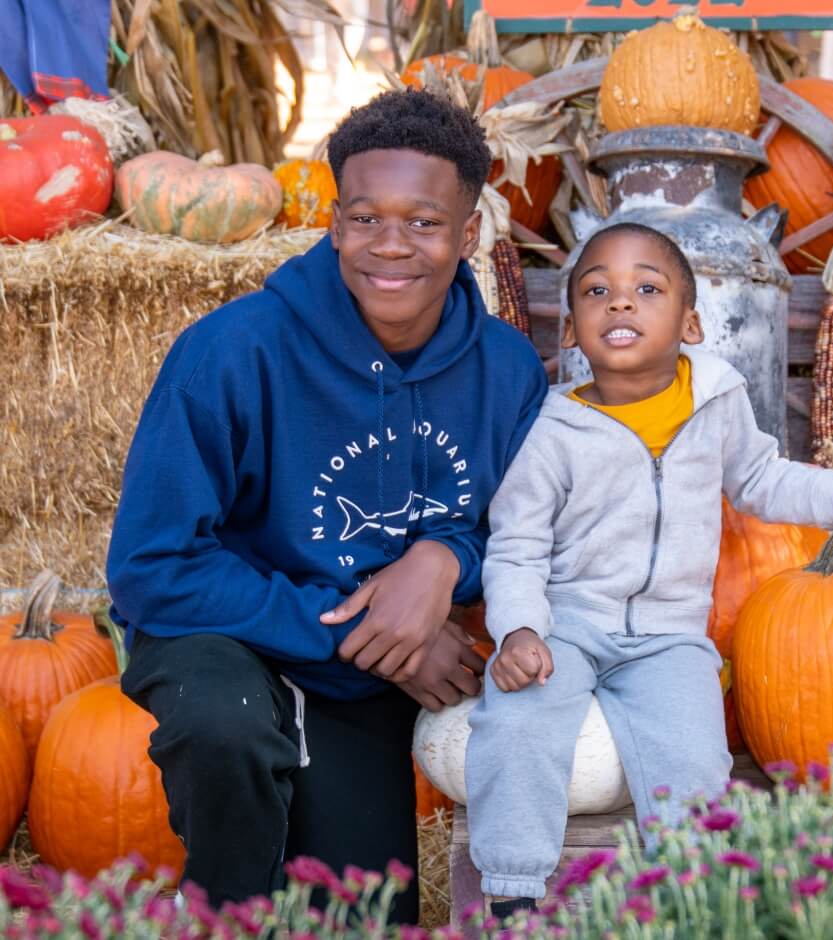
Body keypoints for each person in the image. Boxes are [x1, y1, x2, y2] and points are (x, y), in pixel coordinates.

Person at [106, 88, 548, 919]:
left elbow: (523, 525)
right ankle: (217, 919)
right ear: (334, 222)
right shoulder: (231, 353)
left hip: (364, 683)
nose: (390, 245)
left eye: (422, 222)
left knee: (358, 917)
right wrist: (363, 633)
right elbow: (149, 567)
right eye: (364, 217)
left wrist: (446, 556)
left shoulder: (508, 372)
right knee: (224, 724)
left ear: (469, 233)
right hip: (222, 636)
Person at [465, 222, 833, 917]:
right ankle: (512, 891)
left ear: (691, 322)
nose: (620, 303)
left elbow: (762, 478)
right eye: (596, 291)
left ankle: (695, 897)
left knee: (695, 758)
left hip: (671, 634)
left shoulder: (717, 400)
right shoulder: (551, 433)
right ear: (573, 332)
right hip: (568, 624)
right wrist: (519, 629)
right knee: (516, 719)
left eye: (647, 288)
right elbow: (516, 546)